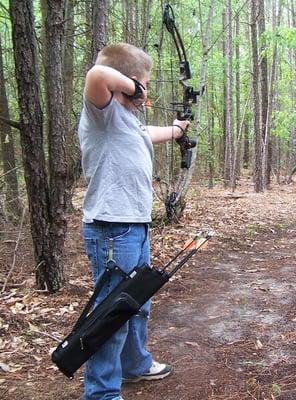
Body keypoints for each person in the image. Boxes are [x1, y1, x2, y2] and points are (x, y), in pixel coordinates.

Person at [78, 43, 190, 400]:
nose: (146, 92)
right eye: (144, 84)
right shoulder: (102, 113)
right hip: (112, 229)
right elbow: (96, 75)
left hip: (134, 227)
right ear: (130, 82)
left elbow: (147, 134)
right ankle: (101, 393)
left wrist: (176, 130)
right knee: (113, 311)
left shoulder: (126, 120)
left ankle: (134, 365)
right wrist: (131, 86)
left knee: (137, 301)